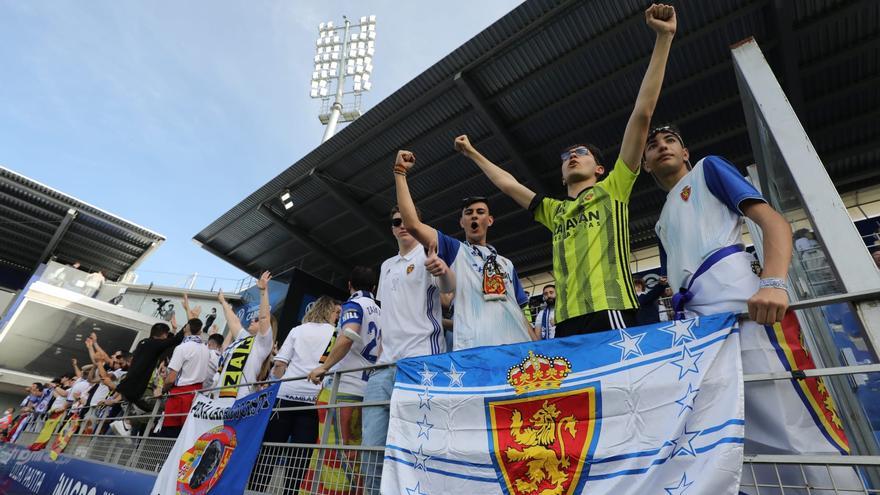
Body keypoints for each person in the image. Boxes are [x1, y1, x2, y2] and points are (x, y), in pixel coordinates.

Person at [642, 123, 861, 490]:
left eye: (671, 141)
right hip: (699, 328)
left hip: (741, 302)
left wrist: (773, 282)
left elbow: (773, 221)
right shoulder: (662, 220)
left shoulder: (708, 169)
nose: (662, 146)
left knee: (790, 418)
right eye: (652, 145)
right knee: (735, 429)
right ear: (645, 163)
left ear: (685, 153)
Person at [455, 4, 677, 337]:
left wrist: (664, 38)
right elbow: (508, 184)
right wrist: (473, 153)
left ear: (599, 168)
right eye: (567, 155)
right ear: (561, 174)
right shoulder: (553, 211)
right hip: (567, 320)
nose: (573, 156)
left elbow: (642, 114)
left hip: (611, 309)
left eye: (582, 152)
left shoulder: (613, 188)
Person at [359, 206, 456, 495]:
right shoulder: (386, 265)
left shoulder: (429, 253)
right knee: (372, 446)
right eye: (396, 222)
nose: (402, 226)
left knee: (418, 444)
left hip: (420, 365)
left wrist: (444, 271)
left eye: (406, 221)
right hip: (383, 369)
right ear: (391, 228)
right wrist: (379, 354)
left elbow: (449, 291)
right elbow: (389, 313)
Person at [393, 150, 534, 348]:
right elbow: (412, 225)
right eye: (469, 213)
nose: (474, 216)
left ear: (490, 220)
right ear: (461, 221)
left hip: (516, 350)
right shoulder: (455, 250)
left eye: (480, 212)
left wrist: (538, 345)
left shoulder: (506, 264)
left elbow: (519, 310)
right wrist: (400, 173)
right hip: (474, 350)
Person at [248, 296, 339, 495]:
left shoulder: (298, 330)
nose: (337, 317)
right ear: (330, 312)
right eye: (336, 313)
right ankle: (290, 492)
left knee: (270, 451)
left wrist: (279, 387)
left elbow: (280, 363)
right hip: (313, 401)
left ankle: (255, 491)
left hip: (285, 396)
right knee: (300, 457)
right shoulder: (336, 333)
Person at [212, 271, 275, 400]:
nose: (252, 320)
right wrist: (223, 302)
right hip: (217, 399)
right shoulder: (244, 338)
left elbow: (264, 318)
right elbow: (234, 322)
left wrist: (263, 292)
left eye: (256, 320)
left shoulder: (262, 343)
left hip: (238, 401)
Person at [159, 318, 210, 438]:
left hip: (180, 397)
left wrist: (162, 389)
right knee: (185, 436)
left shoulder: (182, 348)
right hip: (196, 396)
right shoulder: (205, 349)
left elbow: (171, 378)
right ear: (200, 331)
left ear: (186, 328)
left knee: (169, 437)